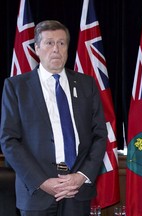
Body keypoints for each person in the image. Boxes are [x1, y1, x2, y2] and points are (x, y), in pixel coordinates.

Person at [0, 20, 107, 216]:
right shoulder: (16, 87)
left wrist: (81, 176)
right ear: (37, 48)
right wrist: (41, 181)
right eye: (49, 43)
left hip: (77, 190)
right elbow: (9, 141)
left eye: (61, 43)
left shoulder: (86, 84)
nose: (56, 49)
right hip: (36, 193)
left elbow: (100, 135)